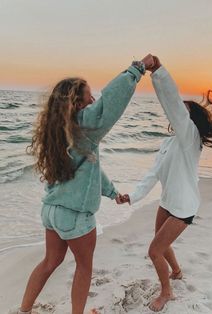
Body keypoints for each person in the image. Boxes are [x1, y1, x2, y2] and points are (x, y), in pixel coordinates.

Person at [13, 54, 155, 314]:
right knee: (84, 267)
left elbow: (88, 170)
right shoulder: (85, 126)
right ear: (77, 104)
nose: (94, 100)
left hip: (51, 212)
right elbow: (109, 104)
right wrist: (138, 68)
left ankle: (24, 310)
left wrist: (112, 193)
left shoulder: (57, 132)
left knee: (50, 261)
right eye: (89, 96)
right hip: (75, 216)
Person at [117, 55, 212, 312]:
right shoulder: (169, 143)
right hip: (168, 201)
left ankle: (167, 292)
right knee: (161, 243)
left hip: (184, 207)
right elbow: (153, 174)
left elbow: (171, 103)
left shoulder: (190, 138)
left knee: (154, 251)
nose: (177, 113)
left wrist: (157, 70)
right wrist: (133, 197)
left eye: (183, 111)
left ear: (189, 120)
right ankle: (178, 272)